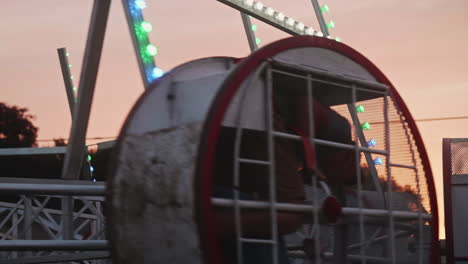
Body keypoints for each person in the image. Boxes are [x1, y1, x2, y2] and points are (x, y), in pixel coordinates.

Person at [213, 94, 357, 264]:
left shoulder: (323, 159)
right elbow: (305, 102)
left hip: (244, 130)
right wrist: (309, 157)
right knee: (292, 214)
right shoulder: (342, 129)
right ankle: (211, 224)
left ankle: (214, 225)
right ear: (349, 158)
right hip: (267, 128)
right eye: (340, 180)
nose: (330, 181)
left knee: (270, 209)